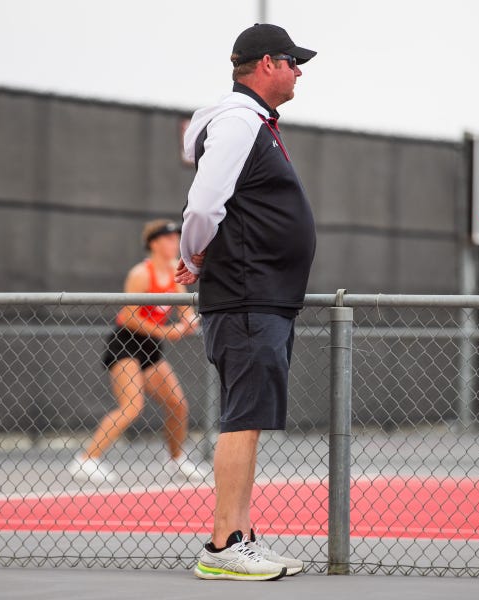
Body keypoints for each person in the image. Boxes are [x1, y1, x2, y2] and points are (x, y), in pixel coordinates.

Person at [175, 23, 316, 581]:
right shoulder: (237, 120)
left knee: (249, 416)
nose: (299, 71)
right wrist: (194, 256)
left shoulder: (250, 121)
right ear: (266, 64)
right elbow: (204, 204)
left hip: (261, 294)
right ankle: (224, 544)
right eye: (293, 61)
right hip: (248, 293)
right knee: (242, 417)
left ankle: (241, 535)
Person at [68, 219, 205, 485]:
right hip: (126, 344)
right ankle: (86, 460)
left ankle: (176, 460)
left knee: (177, 404)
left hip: (151, 348)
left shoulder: (177, 276)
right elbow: (130, 317)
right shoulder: (141, 274)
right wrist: (169, 332)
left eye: (176, 237)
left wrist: (189, 323)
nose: (174, 242)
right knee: (131, 406)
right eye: (167, 238)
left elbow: (186, 313)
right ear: (154, 243)